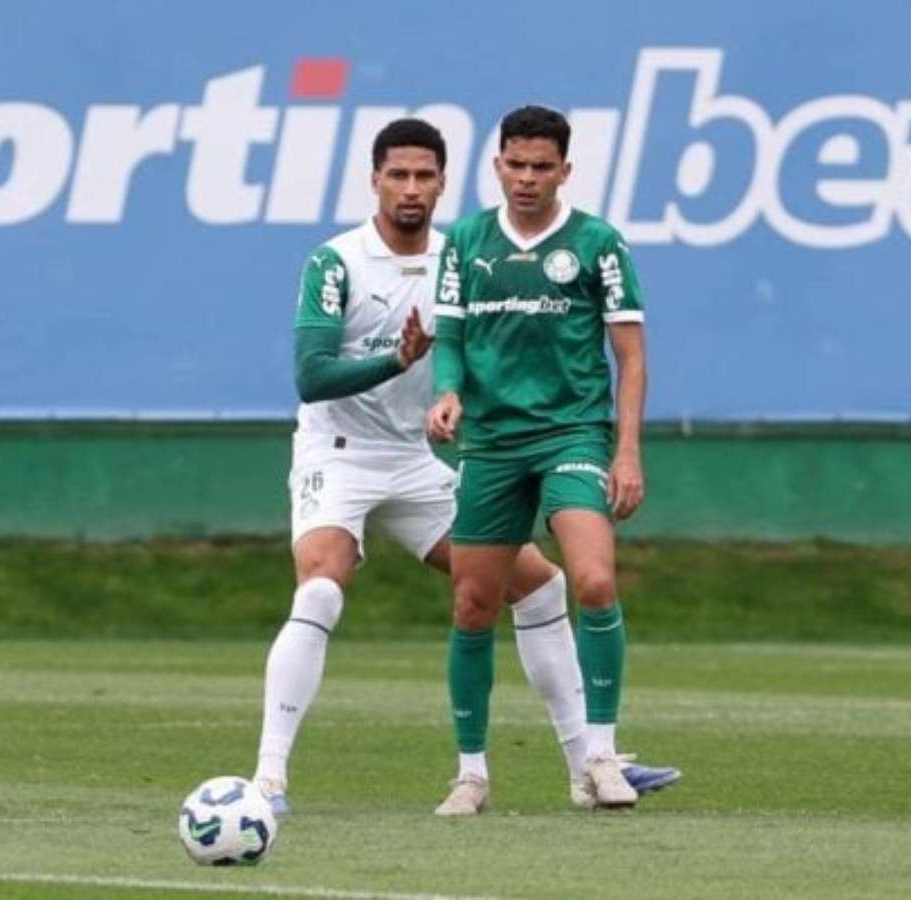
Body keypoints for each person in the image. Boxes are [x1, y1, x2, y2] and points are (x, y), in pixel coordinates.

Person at [252, 118, 678, 819]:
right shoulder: (337, 261)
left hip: (419, 458)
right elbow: (311, 375)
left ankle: (591, 763)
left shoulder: (465, 254)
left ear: (444, 183)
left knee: (540, 587)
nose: (411, 188)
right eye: (398, 175)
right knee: (322, 587)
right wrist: (397, 360)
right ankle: (269, 778)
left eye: (424, 176)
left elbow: (503, 347)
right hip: (340, 454)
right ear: (374, 180)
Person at [427, 105, 649, 815]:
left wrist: (626, 451)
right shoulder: (466, 241)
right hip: (492, 443)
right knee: (472, 605)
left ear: (564, 170)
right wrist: (447, 392)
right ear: (497, 165)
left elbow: (630, 357)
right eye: (515, 165)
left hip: (571, 435)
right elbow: (450, 339)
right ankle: (471, 774)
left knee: (594, 582)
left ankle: (599, 759)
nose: (526, 178)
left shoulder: (597, 243)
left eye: (541, 167)